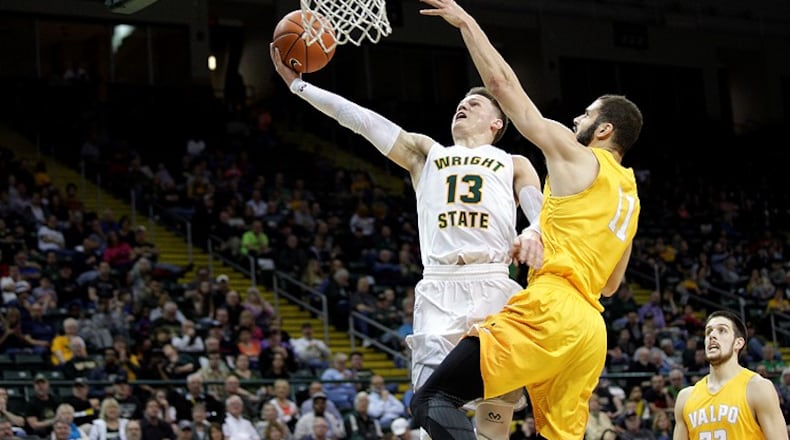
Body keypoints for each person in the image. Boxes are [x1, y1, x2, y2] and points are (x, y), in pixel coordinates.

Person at [270, 20, 545, 438]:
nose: (464, 106)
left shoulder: (513, 162)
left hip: (492, 280)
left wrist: (535, 229)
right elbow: (362, 121)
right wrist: (301, 87)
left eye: (476, 104)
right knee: (430, 402)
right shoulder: (425, 152)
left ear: (497, 123)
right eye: (462, 102)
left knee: (499, 399)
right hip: (439, 285)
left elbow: (536, 205)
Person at [410, 2, 644, 438]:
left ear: (606, 130)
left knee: (432, 398)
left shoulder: (578, 157)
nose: (577, 118)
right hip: (591, 331)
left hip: (552, 308)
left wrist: (467, 24)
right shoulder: (629, 196)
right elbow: (612, 285)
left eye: (588, 114)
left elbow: (503, 87)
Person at [673, 310, 787, 439]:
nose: (712, 336)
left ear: (738, 343)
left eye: (722, 330)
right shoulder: (685, 398)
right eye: (708, 332)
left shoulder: (758, 388)